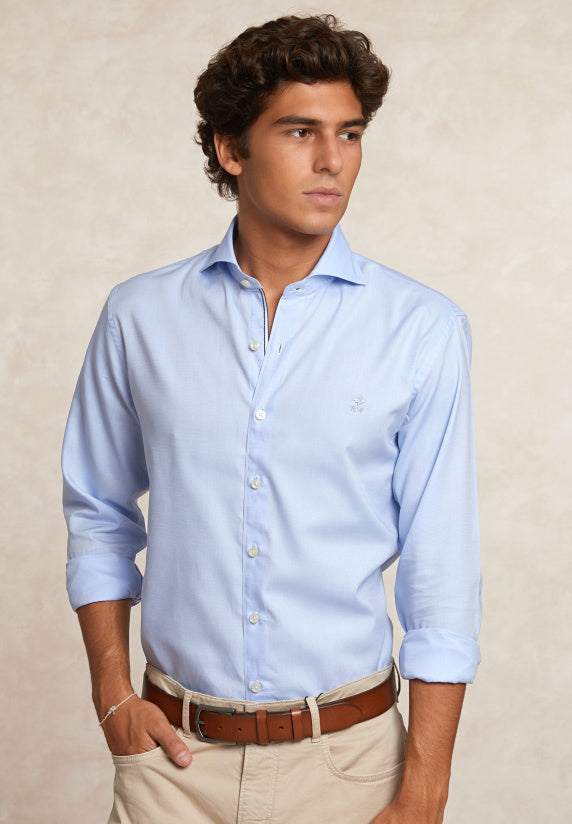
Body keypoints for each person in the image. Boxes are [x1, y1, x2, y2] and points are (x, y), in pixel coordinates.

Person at [62, 13, 481, 824]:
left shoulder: (422, 329)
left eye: (349, 133)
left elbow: (442, 569)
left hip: (352, 769)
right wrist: (112, 697)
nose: (333, 160)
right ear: (231, 148)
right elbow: (99, 515)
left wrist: (425, 788)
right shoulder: (138, 317)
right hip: (172, 771)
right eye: (300, 131)